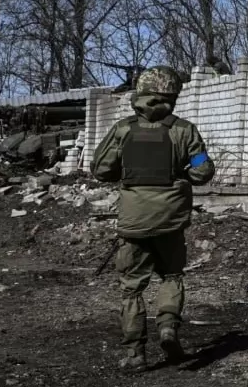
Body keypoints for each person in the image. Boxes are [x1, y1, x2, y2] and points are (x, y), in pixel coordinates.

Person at [93, 65, 215, 371]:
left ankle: (135, 353)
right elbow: (204, 170)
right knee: (171, 276)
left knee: (132, 287)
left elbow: (101, 170)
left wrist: (130, 173)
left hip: (134, 221)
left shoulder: (123, 129)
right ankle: (167, 328)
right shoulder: (184, 130)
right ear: (173, 95)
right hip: (171, 220)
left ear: (141, 93)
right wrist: (180, 173)